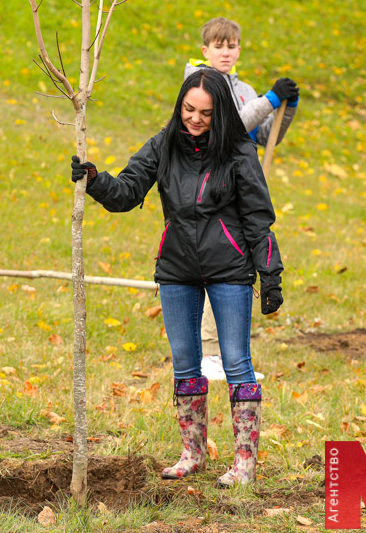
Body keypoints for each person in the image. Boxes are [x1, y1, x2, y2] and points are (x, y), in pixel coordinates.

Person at [70, 69, 283, 487]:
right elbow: (128, 192)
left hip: (230, 268)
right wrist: (94, 180)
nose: (195, 119)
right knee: (185, 363)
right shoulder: (163, 144)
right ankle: (192, 453)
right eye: (188, 109)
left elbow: (259, 218)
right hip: (177, 269)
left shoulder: (239, 151)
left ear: (219, 111)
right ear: (179, 105)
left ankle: (244, 464)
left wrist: (270, 275)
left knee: (238, 363)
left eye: (205, 112)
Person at [185, 17, 299, 380]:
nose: (226, 52)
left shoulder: (245, 88)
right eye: (218, 46)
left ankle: (232, 353)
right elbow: (230, 123)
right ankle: (209, 353)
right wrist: (270, 98)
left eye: (231, 45)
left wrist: (286, 106)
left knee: (239, 268)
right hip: (210, 187)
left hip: (239, 187)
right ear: (205, 50)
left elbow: (266, 135)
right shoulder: (199, 84)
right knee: (215, 266)